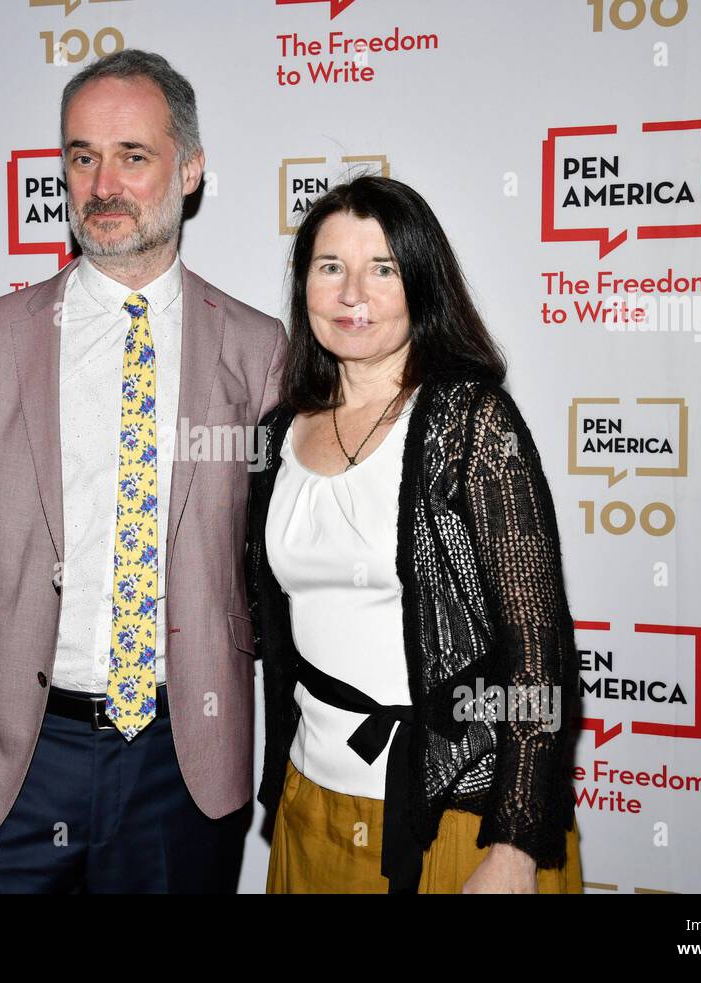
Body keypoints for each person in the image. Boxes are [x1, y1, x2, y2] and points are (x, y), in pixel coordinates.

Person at [0, 49, 286, 892]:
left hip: (187, 766)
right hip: (9, 768)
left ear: (191, 169)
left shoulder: (258, 351)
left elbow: (287, 574)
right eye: (81, 156)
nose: (102, 183)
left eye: (132, 156)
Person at [246, 174, 583, 893]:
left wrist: (517, 844)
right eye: (329, 267)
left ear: (422, 284)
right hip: (312, 799)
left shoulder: (470, 422)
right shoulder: (275, 435)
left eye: (383, 269)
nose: (352, 294)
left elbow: (539, 647)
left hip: (458, 808)